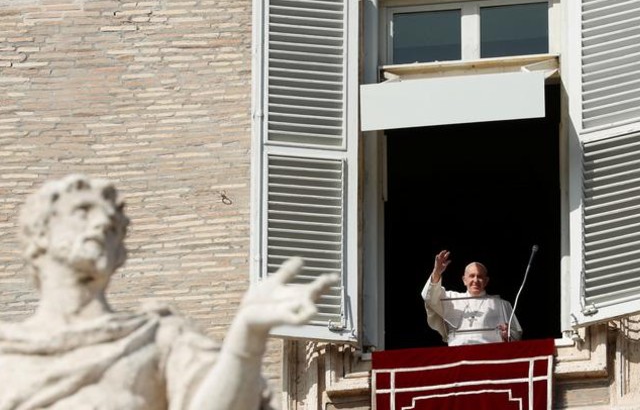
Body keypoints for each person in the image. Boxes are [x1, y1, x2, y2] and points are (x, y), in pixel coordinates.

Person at [0, 174, 338, 410]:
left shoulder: (159, 339)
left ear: (120, 254)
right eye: (82, 211)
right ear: (39, 233)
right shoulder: (7, 353)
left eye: (115, 225)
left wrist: (246, 338)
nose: (102, 222)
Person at [420, 249, 522, 346]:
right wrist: (436, 272)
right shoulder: (451, 299)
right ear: (464, 280)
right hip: (457, 355)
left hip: (489, 355)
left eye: (480, 277)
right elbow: (429, 297)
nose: (476, 280)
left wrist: (507, 335)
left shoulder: (501, 304)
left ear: (486, 281)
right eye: (472, 276)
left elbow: (516, 337)